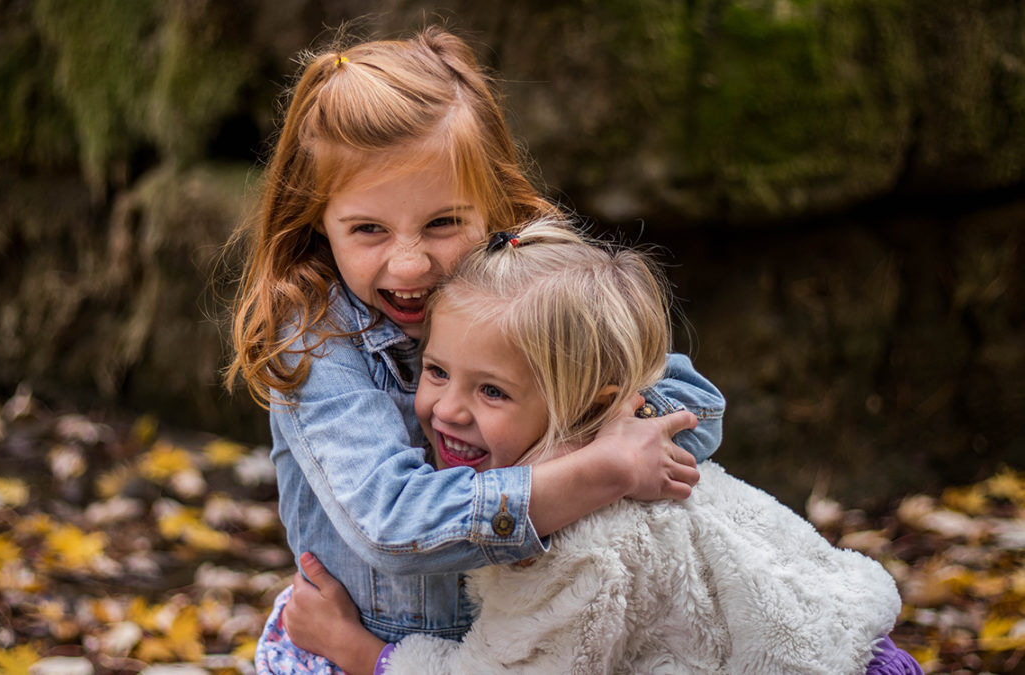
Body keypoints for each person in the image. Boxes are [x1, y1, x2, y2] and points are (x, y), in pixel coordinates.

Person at [225, 27, 726, 674]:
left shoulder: (524, 290)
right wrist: (594, 472)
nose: (409, 264)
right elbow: (393, 521)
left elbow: (695, 410)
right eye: (369, 229)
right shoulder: (317, 340)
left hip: (521, 646)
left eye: (442, 223)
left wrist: (582, 432)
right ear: (318, 218)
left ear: (492, 207)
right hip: (363, 653)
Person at [282, 219, 922, 674]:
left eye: (493, 393)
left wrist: (358, 651)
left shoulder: (582, 544)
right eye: (437, 371)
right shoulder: (631, 448)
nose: (448, 410)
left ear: (589, 405)